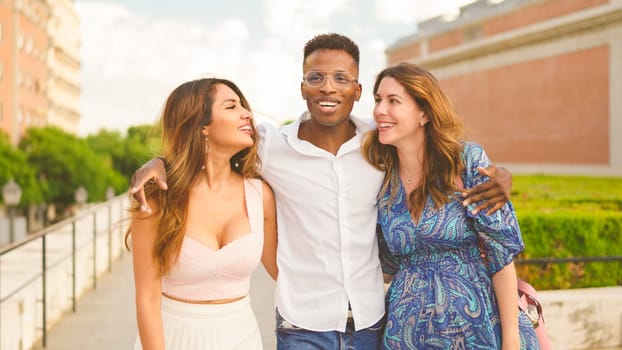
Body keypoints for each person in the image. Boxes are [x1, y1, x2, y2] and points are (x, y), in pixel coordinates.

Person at [129, 33, 513, 349]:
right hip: (302, 327)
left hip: (372, 323)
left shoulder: (379, 144)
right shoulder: (270, 146)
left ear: (358, 89)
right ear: (302, 86)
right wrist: (159, 163)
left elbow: (435, 157)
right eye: (316, 78)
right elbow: (206, 146)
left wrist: (501, 176)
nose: (327, 88)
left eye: (341, 79)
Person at [362, 62, 539, 349]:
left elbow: (500, 258)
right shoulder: (382, 177)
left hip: (479, 328)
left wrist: (511, 340)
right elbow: (387, 266)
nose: (380, 110)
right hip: (406, 335)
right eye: (378, 100)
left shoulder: (466, 161)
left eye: (393, 101)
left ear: (424, 113)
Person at [126, 77, 278, 350]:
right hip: (174, 339)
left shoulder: (260, 195)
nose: (247, 113)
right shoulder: (158, 199)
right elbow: (147, 299)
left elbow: (283, 272)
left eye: (243, 106)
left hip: (242, 339)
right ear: (202, 126)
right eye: (231, 107)